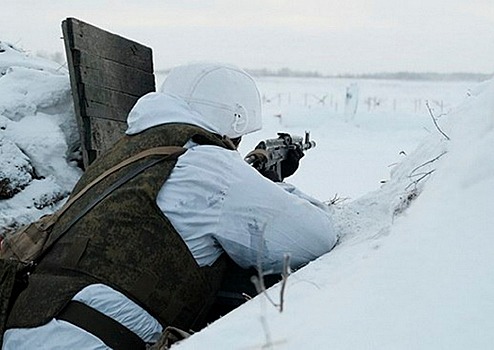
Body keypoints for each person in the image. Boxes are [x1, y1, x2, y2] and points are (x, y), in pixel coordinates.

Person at [2, 62, 338, 349]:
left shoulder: (127, 153)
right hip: (90, 340)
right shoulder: (208, 166)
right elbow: (315, 237)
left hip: (29, 323)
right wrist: (272, 183)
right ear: (234, 119)